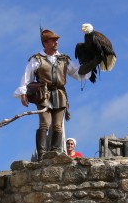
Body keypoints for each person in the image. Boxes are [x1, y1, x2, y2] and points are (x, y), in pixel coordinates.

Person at [14, 28, 90, 161]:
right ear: (45, 43)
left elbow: (77, 73)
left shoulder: (63, 59)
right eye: (53, 40)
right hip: (43, 94)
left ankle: (55, 151)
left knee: (57, 125)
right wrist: (23, 93)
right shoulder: (37, 59)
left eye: (57, 40)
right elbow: (27, 77)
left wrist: (90, 65)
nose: (56, 42)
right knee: (44, 124)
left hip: (60, 94)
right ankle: (42, 154)